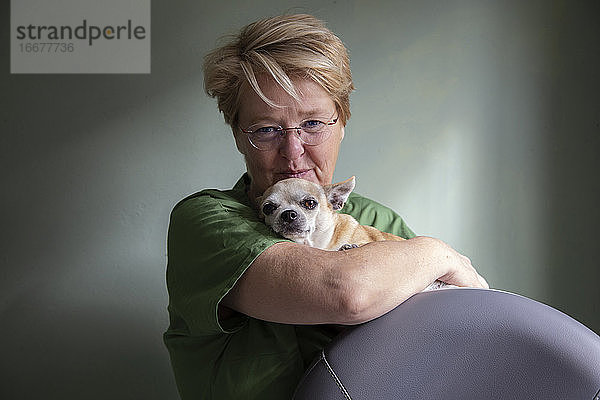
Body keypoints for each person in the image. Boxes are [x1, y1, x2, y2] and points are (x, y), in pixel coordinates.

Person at [163, 14, 488, 400]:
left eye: (313, 123)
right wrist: (438, 253)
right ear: (238, 135)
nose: (293, 152)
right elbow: (346, 293)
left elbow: (439, 344)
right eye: (267, 129)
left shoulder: (379, 220)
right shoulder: (208, 222)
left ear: (342, 123)